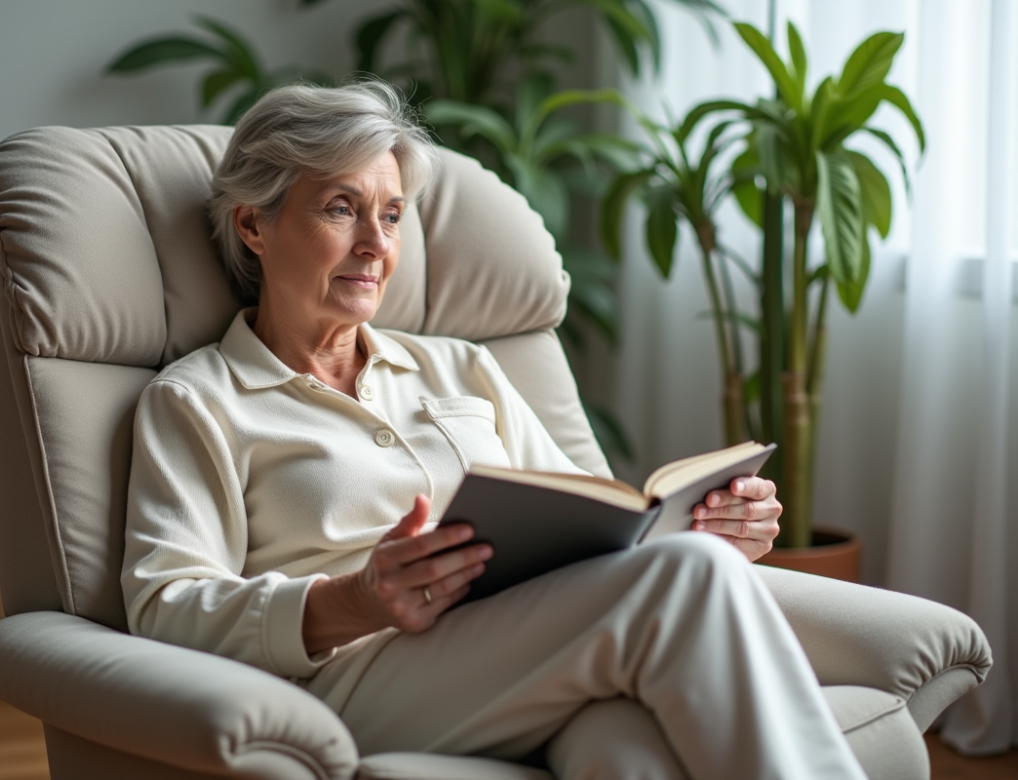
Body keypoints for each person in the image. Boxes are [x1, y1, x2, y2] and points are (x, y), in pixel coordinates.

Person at [122, 80, 867, 779]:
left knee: (628, 748)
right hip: (358, 677)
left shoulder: (463, 367)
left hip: (530, 652)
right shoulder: (198, 401)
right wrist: (352, 600)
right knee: (692, 578)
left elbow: (597, 524)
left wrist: (703, 526)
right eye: (342, 209)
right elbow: (164, 607)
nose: (377, 246)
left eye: (390, 214)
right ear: (255, 224)